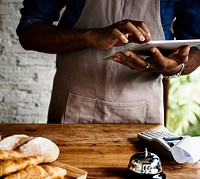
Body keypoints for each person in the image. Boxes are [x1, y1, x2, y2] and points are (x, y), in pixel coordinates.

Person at [16, 0, 200, 124]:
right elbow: (29, 32)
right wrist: (90, 36)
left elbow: (195, 50)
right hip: (71, 106)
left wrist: (173, 66)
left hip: (144, 112)